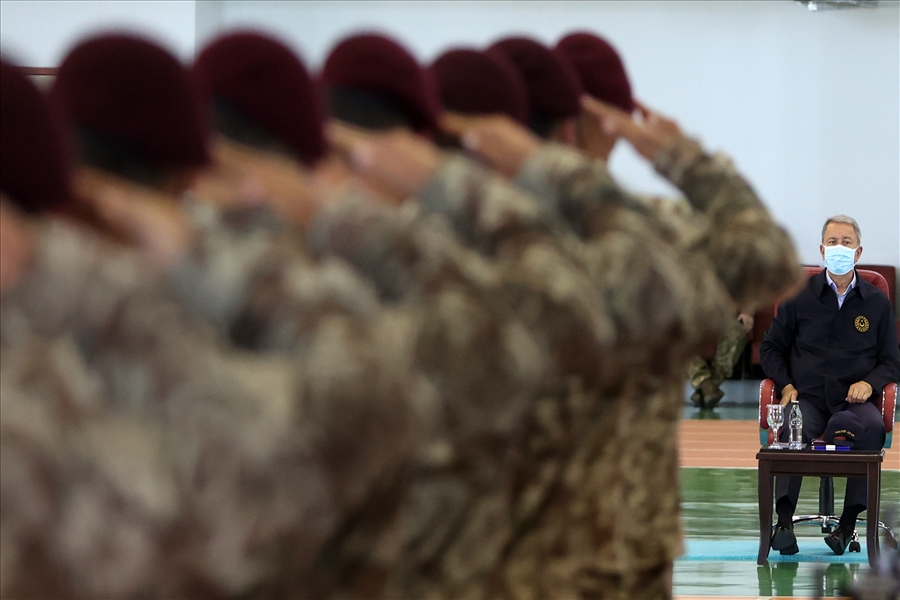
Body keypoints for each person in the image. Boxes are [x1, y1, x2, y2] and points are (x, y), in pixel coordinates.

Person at [760, 214, 900, 556]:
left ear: (859, 251)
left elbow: (891, 361)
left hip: (853, 404)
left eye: (847, 243)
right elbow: (770, 348)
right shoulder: (799, 295)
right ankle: (784, 523)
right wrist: (786, 383)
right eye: (833, 242)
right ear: (822, 250)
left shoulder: (877, 303)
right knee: (795, 427)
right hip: (807, 397)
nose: (839, 248)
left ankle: (847, 526)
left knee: (867, 430)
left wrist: (870, 383)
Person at [686, 310, 754, 409]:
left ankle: (705, 388)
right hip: (697, 319)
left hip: (729, 319)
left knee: (737, 333)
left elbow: (750, 297)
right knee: (682, 337)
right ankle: (707, 387)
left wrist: (747, 312)